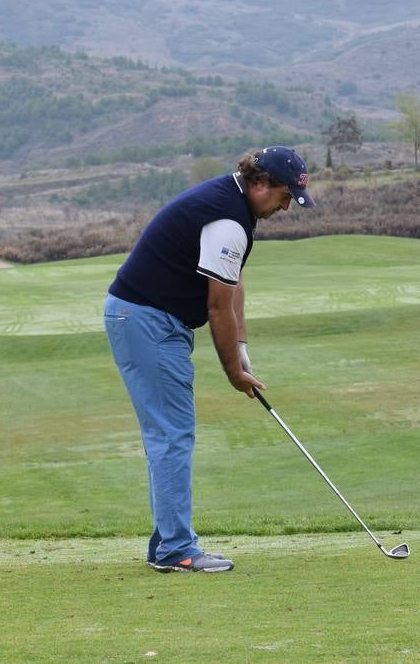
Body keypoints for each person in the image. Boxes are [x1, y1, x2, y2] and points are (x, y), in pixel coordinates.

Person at [103, 146, 315, 573]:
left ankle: (167, 542)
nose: (286, 205)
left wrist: (241, 350)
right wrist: (234, 374)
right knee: (172, 434)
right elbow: (217, 307)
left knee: (169, 434)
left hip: (150, 319)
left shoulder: (234, 208)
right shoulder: (227, 220)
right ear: (260, 183)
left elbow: (233, 286)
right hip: (148, 321)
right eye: (283, 195)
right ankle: (176, 550)